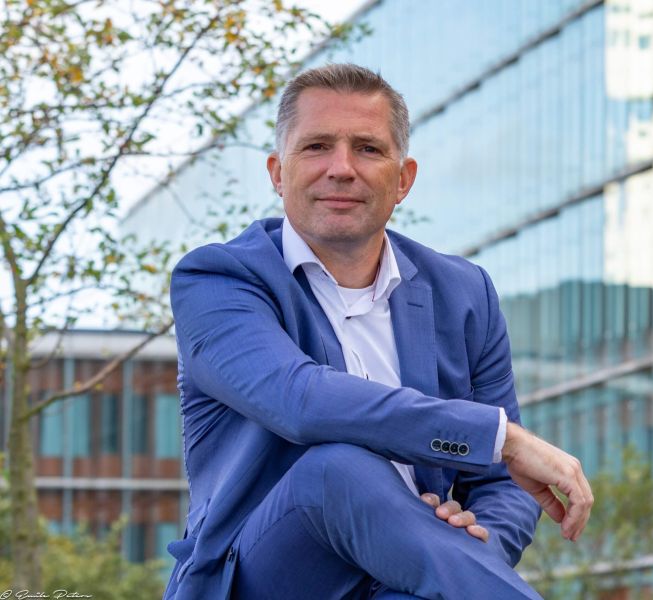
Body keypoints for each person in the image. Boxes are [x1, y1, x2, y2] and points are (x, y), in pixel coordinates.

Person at [165, 63, 593, 600]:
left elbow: (501, 483)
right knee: (336, 468)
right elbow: (300, 401)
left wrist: (474, 542)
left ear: (403, 179)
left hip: (406, 578)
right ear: (277, 172)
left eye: (367, 149)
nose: (341, 168)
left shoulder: (464, 293)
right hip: (263, 577)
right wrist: (501, 437)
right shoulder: (218, 280)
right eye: (317, 147)